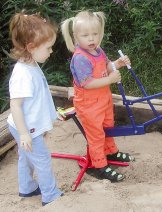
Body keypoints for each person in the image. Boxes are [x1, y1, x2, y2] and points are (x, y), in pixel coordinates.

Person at [61, 11, 134, 182]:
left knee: (108, 127)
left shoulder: (97, 50)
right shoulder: (80, 58)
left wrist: (117, 64)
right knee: (96, 135)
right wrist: (110, 79)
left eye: (95, 34)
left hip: (103, 100)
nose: (91, 39)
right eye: (85, 35)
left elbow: (105, 66)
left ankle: (111, 153)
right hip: (88, 104)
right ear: (76, 37)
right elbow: (87, 83)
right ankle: (99, 165)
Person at [7, 12, 63, 206]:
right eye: (48, 48)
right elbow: (15, 105)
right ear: (31, 47)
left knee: (26, 157)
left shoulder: (31, 64)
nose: (51, 52)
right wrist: (24, 134)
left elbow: (38, 99)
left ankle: (27, 187)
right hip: (25, 127)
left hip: (27, 125)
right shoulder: (23, 74)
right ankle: (50, 195)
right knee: (43, 160)